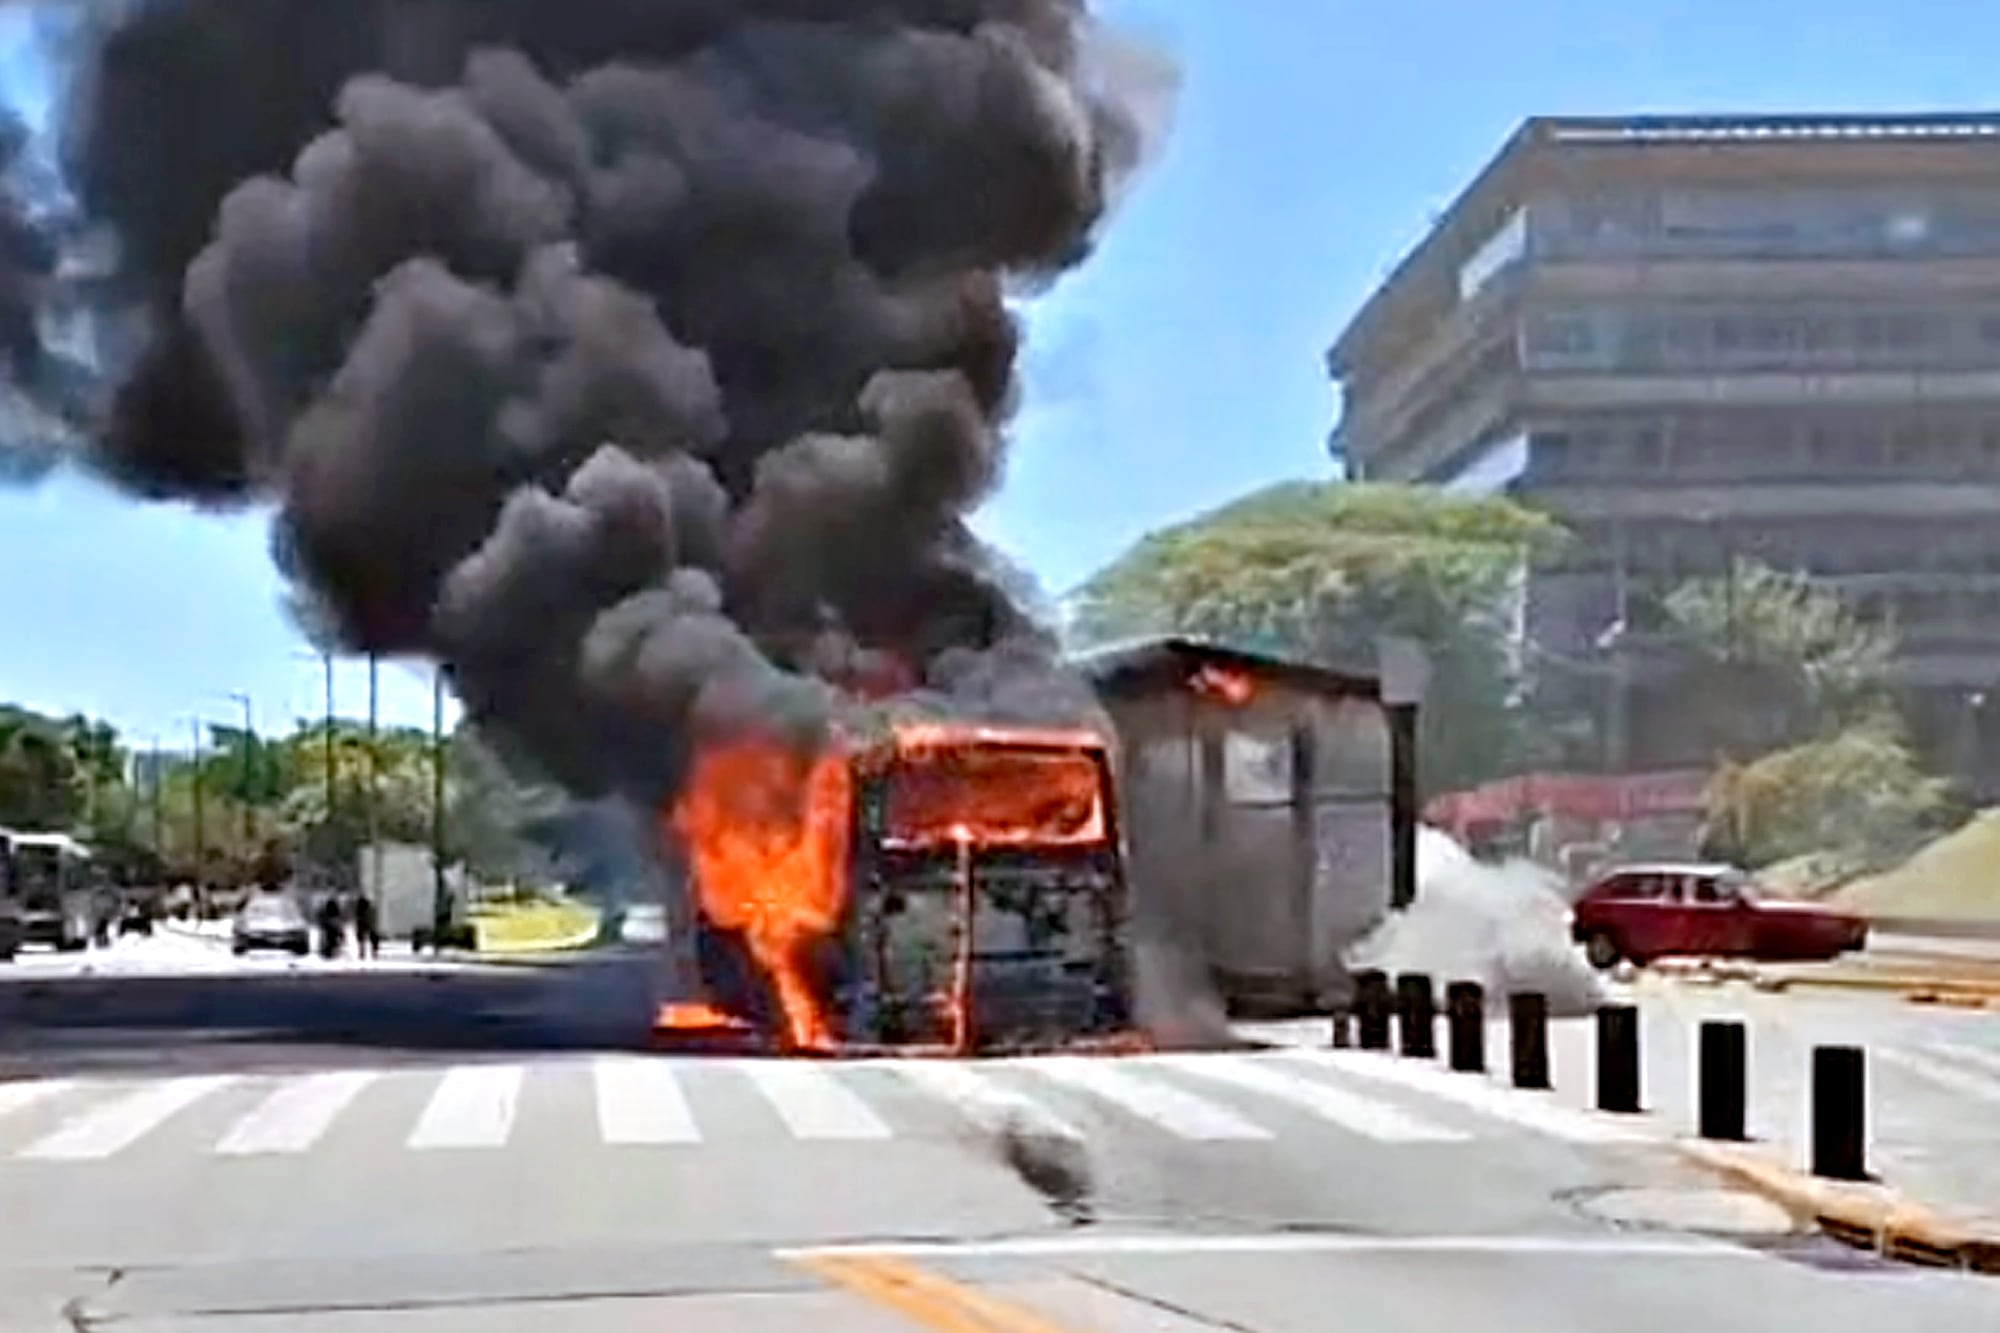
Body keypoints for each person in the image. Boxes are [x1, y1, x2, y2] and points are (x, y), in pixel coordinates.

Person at [353, 893, 379, 960]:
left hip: (362, 922)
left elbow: (357, 916)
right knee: (372, 938)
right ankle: (373, 951)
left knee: (362, 939)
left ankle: (362, 952)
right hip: (367, 923)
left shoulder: (359, 909)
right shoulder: (369, 909)